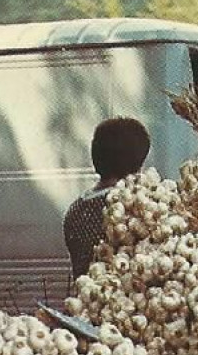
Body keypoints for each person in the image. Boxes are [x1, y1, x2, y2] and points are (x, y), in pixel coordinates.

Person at [64, 116, 150, 283]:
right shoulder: (138, 206)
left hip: (86, 300)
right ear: (137, 161)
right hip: (126, 303)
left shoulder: (74, 211)